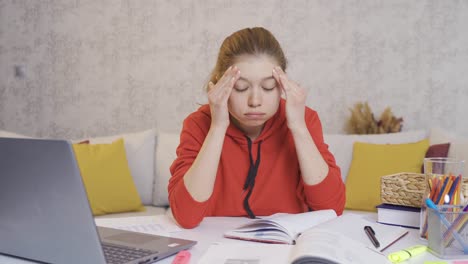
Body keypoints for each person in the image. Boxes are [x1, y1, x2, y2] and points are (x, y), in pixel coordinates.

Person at [168, 27, 345, 229]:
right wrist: (218, 126)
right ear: (220, 84)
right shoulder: (199, 123)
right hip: (217, 247)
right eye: (241, 87)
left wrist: (298, 127)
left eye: (268, 87)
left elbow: (332, 209)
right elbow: (186, 216)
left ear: (282, 85)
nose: (255, 101)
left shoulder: (305, 119)